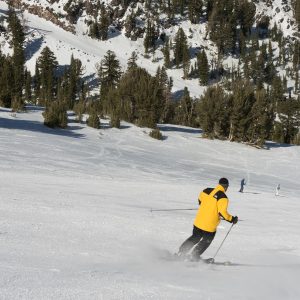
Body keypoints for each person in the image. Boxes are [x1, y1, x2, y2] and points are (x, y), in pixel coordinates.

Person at [177, 178, 238, 261]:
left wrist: (208, 206)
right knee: (206, 241)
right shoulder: (223, 197)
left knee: (195, 237)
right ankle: (194, 255)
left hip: (198, 221)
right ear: (226, 186)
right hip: (209, 225)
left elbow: (200, 200)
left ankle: (181, 252)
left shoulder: (206, 190)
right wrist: (232, 219)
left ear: (219, 184)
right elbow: (222, 213)